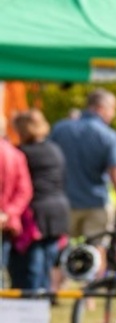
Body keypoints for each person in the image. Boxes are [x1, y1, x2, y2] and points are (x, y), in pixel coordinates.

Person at [49, 88, 116, 243]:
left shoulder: (60, 128)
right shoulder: (108, 135)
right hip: (96, 202)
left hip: (65, 201)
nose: (113, 114)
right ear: (100, 108)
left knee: (62, 254)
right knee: (95, 254)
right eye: (112, 109)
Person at [9, 111, 69, 291]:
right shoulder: (55, 149)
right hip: (58, 210)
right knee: (47, 263)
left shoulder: (21, 153)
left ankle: (32, 305)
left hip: (35, 213)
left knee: (32, 265)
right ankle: (43, 304)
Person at [0, 130, 32, 281]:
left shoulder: (14, 155)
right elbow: (24, 191)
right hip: (6, 221)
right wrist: (8, 213)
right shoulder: (15, 154)